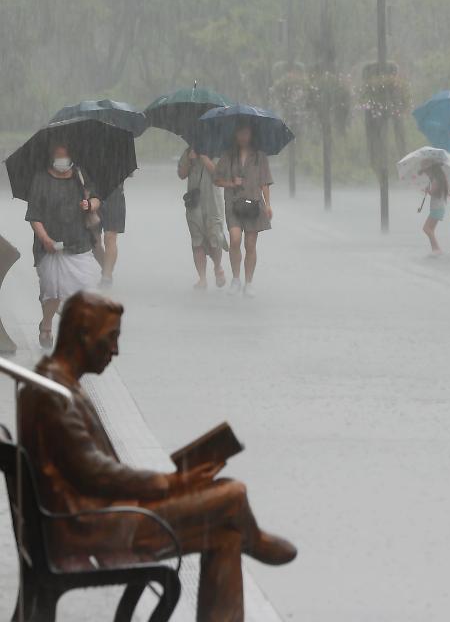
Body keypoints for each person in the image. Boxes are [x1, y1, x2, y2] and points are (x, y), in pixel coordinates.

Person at [19, 291, 297, 622]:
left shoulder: (54, 384)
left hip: (88, 520)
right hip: (92, 528)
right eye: (111, 338)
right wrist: (168, 483)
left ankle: (246, 538)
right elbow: (94, 473)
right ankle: (256, 539)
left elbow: (95, 471)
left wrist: (173, 484)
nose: (115, 350)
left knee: (226, 536)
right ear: (82, 336)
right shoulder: (54, 395)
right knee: (232, 495)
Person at [25, 143, 101, 348]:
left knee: (84, 287)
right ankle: (47, 325)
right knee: (52, 290)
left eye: (65, 155)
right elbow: (34, 215)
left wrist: (89, 204)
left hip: (78, 242)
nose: (62, 160)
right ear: (51, 156)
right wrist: (45, 239)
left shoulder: (80, 175)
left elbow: (96, 198)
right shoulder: (40, 179)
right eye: (58, 155)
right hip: (49, 245)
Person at [214, 120, 273, 299]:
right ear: (235, 134)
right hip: (234, 203)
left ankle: (249, 282)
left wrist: (268, 204)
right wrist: (231, 182)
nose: (243, 137)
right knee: (235, 240)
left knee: (250, 245)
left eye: (246, 133)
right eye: (240, 133)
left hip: (255, 203)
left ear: (251, 135)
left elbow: (265, 182)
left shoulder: (260, 156)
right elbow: (217, 179)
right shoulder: (227, 156)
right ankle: (236, 279)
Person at [178, 148, 228, 290]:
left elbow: (220, 175)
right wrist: (190, 160)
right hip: (194, 205)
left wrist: (205, 158)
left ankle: (218, 267)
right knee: (197, 241)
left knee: (215, 239)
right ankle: (202, 278)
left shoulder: (218, 152)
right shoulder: (188, 152)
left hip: (213, 204)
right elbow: (181, 174)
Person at [93, 182, 126, 288]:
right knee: (93, 241)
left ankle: (106, 277)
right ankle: (106, 270)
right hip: (92, 194)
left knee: (110, 237)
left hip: (114, 194)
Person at [420, 163, 448, 256]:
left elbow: (435, 193)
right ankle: (435, 249)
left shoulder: (436, 180)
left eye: (427, 171)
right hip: (437, 208)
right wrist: (428, 190)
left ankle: (437, 249)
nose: (427, 174)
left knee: (427, 229)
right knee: (430, 229)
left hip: (437, 208)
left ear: (432, 170)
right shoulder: (439, 179)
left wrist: (428, 191)